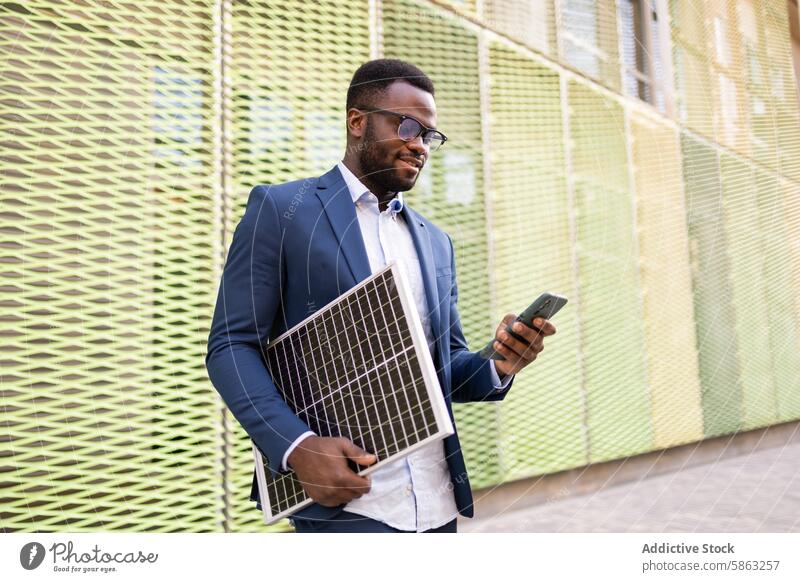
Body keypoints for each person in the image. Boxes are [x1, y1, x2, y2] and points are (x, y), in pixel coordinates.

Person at [205, 58, 557, 533]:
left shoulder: (436, 242)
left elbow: (441, 369)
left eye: (430, 134)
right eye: (408, 125)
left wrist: (497, 363)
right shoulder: (282, 210)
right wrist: (297, 447)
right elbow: (230, 346)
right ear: (357, 121)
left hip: (437, 507)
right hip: (350, 504)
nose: (421, 144)